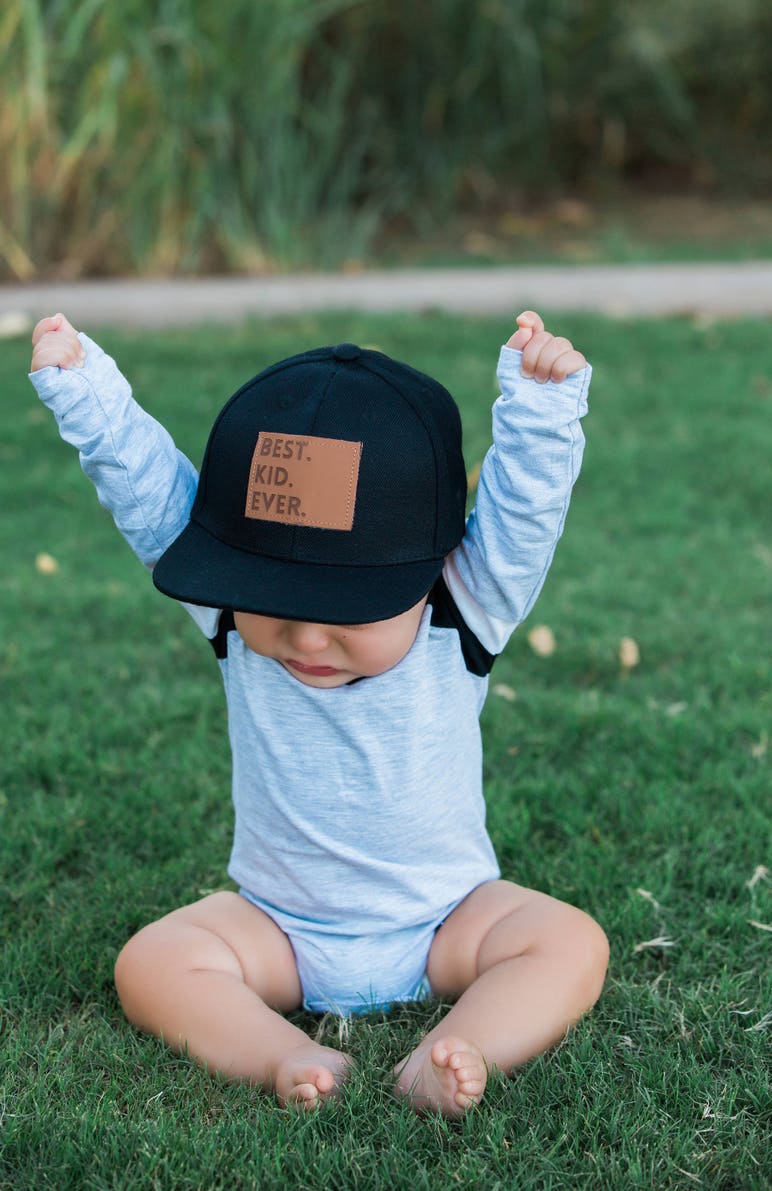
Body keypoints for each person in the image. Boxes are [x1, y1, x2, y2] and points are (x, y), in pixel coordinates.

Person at [29, 310, 608, 1117]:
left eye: (346, 606)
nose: (305, 636)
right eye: (278, 599)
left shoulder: (463, 609)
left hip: (448, 919)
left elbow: (524, 518)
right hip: (278, 927)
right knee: (151, 962)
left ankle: (465, 1045)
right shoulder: (229, 610)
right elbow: (152, 495)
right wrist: (85, 390)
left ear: (428, 566)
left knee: (570, 942)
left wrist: (542, 408)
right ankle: (285, 1054)